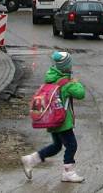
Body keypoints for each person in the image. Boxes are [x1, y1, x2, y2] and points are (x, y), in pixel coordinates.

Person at [21, 51, 86, 183]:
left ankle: (31, 160)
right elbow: (81, 93)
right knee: (72, 145)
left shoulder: (51, 78)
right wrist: (75, 82)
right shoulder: (66, 83)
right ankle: (69, 172)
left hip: (52, 120)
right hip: (62, 121)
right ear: (67, 66)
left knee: (57, 146)